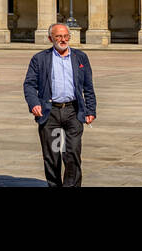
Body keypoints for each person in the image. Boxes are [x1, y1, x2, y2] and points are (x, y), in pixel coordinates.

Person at [23, 23, 96, 187]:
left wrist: (90, 110)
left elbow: (88, 86)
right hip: (51, 113)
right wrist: (34, 104)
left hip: (73, 111)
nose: (63, 40)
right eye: (58, 37)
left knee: (72, 153)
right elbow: (29, 84)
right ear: (50, 38)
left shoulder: (80, 57)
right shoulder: (40, 59)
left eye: (65, 36)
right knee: (53, 155)